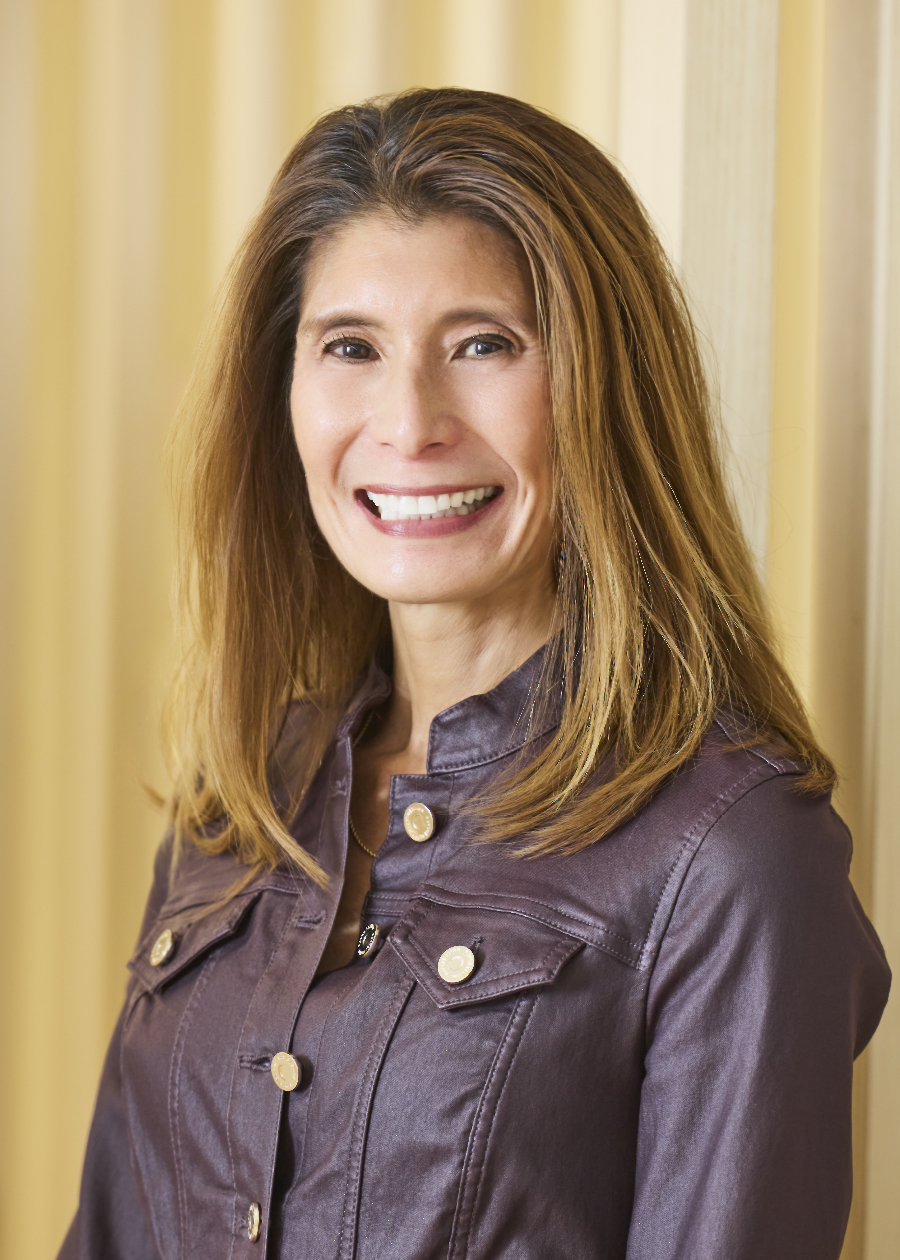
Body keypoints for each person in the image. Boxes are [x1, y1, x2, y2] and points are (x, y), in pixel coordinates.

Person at [60, 88, 890, 1260]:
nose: (408, 420)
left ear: (601, 388)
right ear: (284, 393)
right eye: (350, 346)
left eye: (484, 344)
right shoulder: (242, 799)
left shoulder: (735, 855)